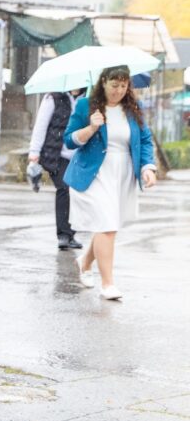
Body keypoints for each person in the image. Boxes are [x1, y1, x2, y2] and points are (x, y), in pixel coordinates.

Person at [64, 66, 156, 301]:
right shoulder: (85, 105)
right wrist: (91, 127)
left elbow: (145, 140)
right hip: (93, 173)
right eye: (114, 85)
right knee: (107, 225)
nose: (119, 91)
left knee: (107, 224)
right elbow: (69, 140)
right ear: (103, 82)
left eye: (124, 86)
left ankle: (85, 262)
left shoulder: (134, 107)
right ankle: (108, 284)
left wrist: (147, 167)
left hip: (123, 173)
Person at [27, 89, 83, 250]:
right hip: (56, 154)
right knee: (64, 188)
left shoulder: (87, 98)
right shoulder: (53, 98)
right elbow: (41, 126)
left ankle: (71, 233)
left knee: (76, 193)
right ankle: (64, 235)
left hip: (79, 156)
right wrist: (34, 153)